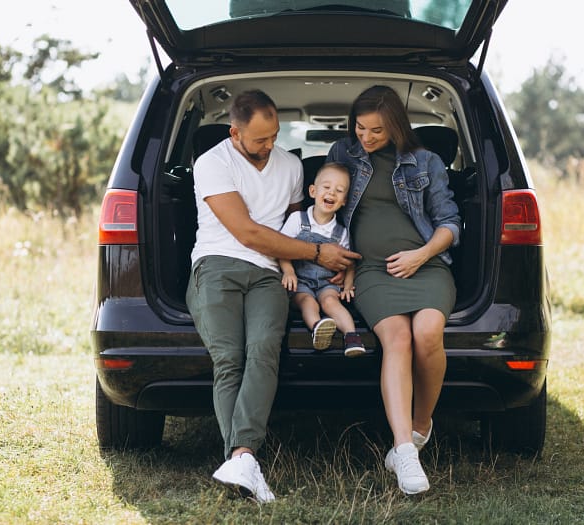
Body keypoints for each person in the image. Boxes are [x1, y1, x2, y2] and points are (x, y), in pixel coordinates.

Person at [185, 89, 361, 504]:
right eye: (260, 139)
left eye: (275, 136)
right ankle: (243, 458)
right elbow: (246, 232)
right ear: (235, 133)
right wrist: (318, 253)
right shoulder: (213, 163)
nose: (269, 146)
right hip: (216, 264)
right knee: (229, 358)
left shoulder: (291, 165)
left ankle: (240, 459)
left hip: (269, 272)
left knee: (264, 348)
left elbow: (297, 225)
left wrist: (318, 262)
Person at [326, 85, 461, 495]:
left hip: (427, 266)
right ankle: (404, 451)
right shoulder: (343, 155)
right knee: (397, 339)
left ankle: (421, 427)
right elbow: (324, 203)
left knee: (426, 335)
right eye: (360, 128)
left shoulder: (426, 161)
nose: (365, 138)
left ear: (397, 128)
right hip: (371, 271)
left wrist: (420, 255)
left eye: (377, 132)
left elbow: (451, 224)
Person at [278, 162, 366, 357]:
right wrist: (289, 271)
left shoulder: (341, 232)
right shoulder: (297, 219)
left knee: (330, 301)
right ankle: (318, 327)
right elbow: (282, 249)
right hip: (299, 282)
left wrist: (348, 284)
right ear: (312, 191)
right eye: (326, 187)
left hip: (327, 282)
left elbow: (350, 261)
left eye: (339, 190)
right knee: (307, 301)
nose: (332, 193)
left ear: (344, 201)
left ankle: (351, 337)